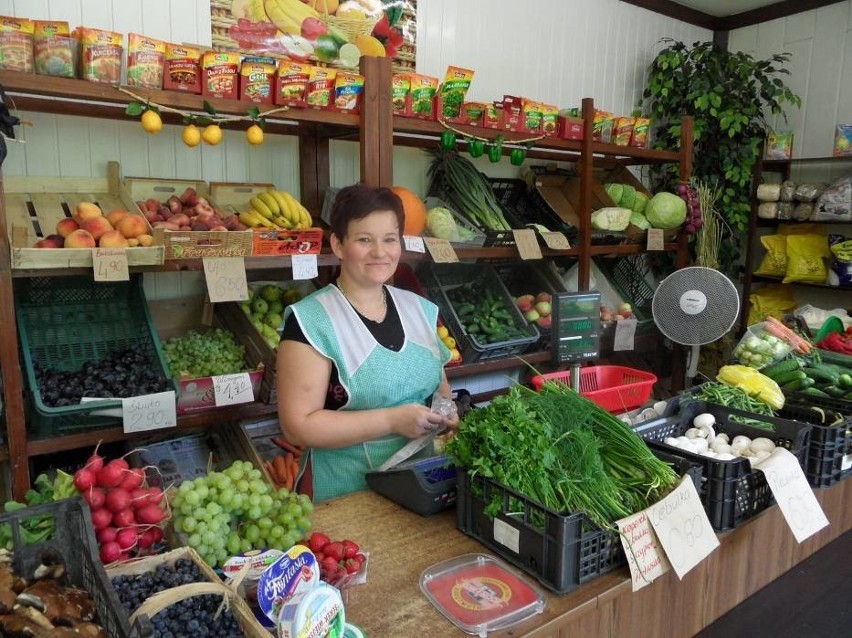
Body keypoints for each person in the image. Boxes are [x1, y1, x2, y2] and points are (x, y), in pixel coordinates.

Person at [276, 183, 458, 502]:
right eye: (364, 240)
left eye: (390, 239)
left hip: (423, 484)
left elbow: (440, 387)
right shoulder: (311, 321)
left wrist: (447, 411)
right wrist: (392, 420)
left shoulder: (419, 308)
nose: (380, 252)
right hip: (347, 494)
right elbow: (298, 426)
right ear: (339, 244)